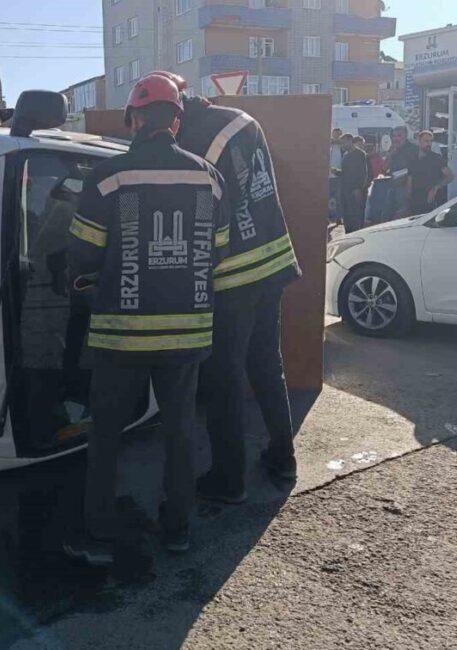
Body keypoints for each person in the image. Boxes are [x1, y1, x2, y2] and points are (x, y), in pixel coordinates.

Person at [62, 74, 232, 564]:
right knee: (179, 434)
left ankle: (98, 533)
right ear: (177, 121)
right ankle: (177, 530)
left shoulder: (110, 177)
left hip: (122, 336)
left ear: (134, 118)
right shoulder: (209, 177)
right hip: (188, 336)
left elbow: (83, 256)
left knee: (106, 436)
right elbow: (217, 252)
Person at [151, 70, 303, 503]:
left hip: (234, 273)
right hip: (272, 260)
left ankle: (228, 480)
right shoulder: (241, 118)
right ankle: (283, 456)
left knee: (224, 377)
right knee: (266, 365)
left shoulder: (194, 142)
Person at [407, 130, 453, 216]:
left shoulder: (436, 158)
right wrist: (408, 199)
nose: (429, 144)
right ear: (419, 142)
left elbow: (450, 176)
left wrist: (436, 187)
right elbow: (410, 179)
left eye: (431, 141)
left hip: (430, 200)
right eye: (426, 141)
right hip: (415, 200)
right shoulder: (412, 158)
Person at [338, 133, 369, 234]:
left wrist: (358, 188)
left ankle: (356, 234)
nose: (342, 145)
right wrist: (337, 172)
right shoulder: (345, 155)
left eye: (344, 143)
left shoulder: (360, 154)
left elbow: (363, 173)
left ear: (350, 141)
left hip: (355, 190)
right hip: (344, 189)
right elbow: (345, 172)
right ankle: (348, 234)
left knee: (355, 215)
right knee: (346, 215)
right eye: (341, 143)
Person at [386, 125, 417, 219]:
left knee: (401, 216)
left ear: (405, 136)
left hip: (406, 188)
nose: (396, 138)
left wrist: (408, 193)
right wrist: (391, 154)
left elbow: (413, 172)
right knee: (387, 216)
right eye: (394, 136)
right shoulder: (393, 149)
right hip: (393, 186)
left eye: (399, 135)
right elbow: (385, 168)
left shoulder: (413, 150)